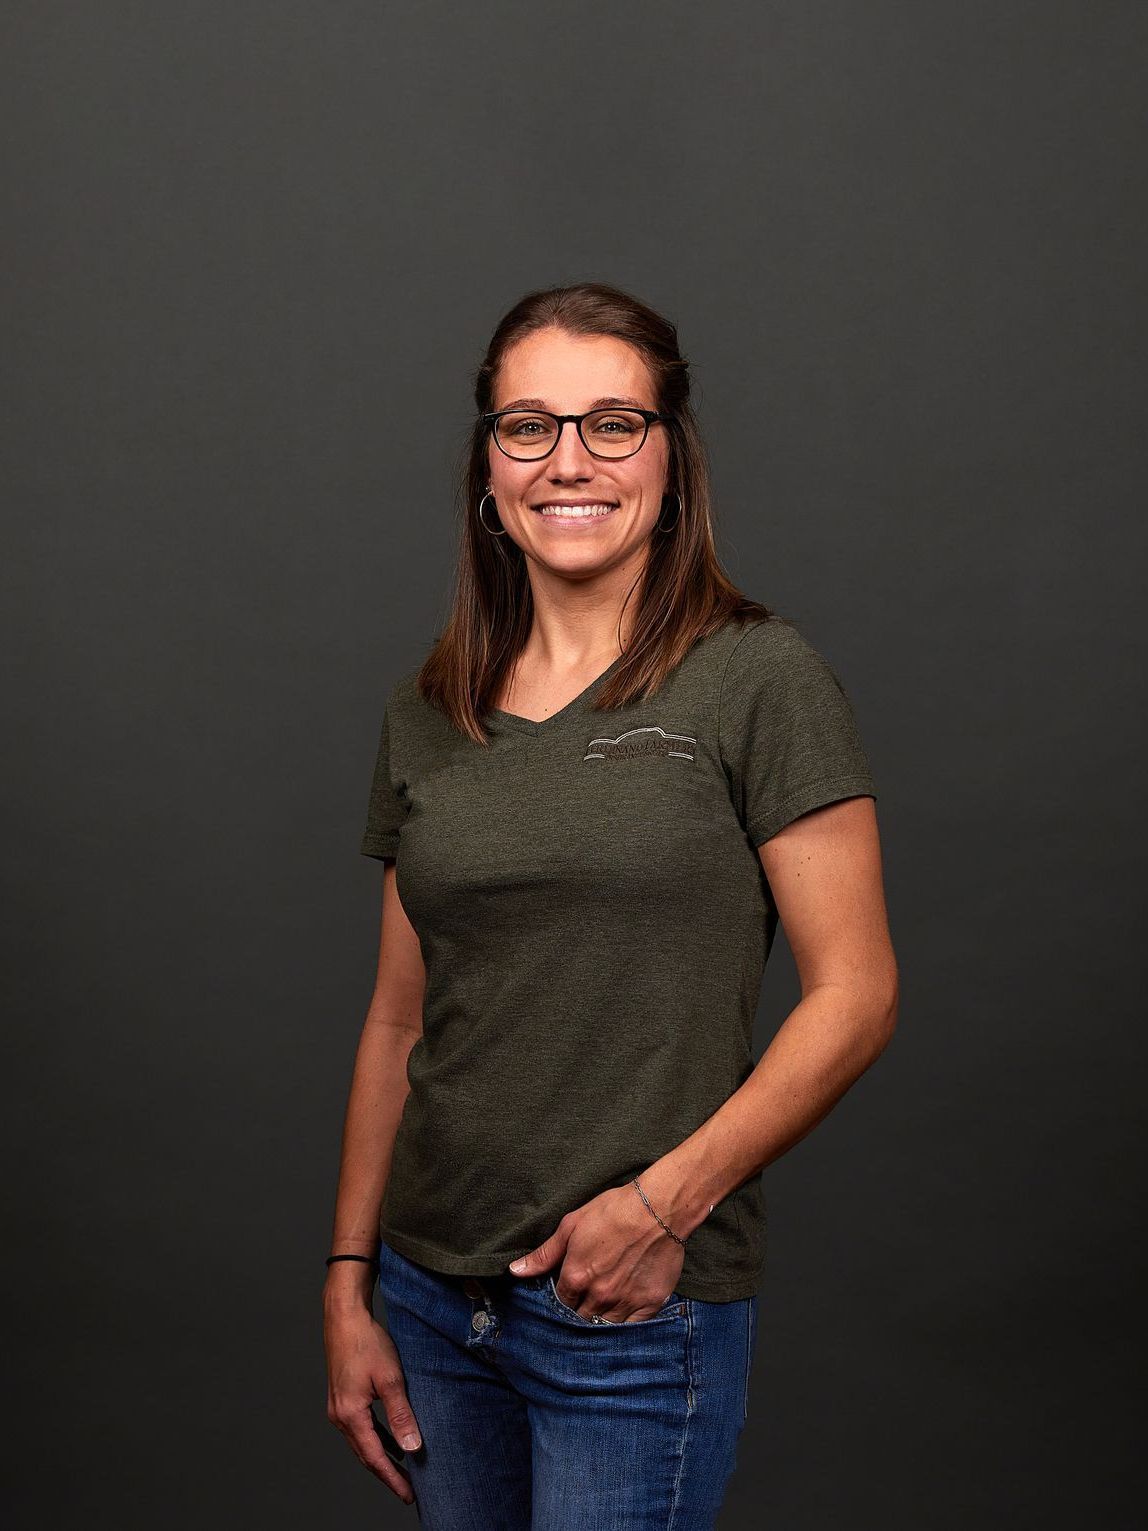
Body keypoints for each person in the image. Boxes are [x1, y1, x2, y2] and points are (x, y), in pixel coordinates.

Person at [322, 281, 899, 1529]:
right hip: (429, 1303)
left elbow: (855, 994)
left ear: (668, 457)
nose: (567, 460)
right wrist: (348, 1283)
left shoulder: (757, 677)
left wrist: (660, 1205)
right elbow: (394, 1025)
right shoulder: (428, 711)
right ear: (488, 459)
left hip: (628, 1305)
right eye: (527, 424)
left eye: (610, 425)